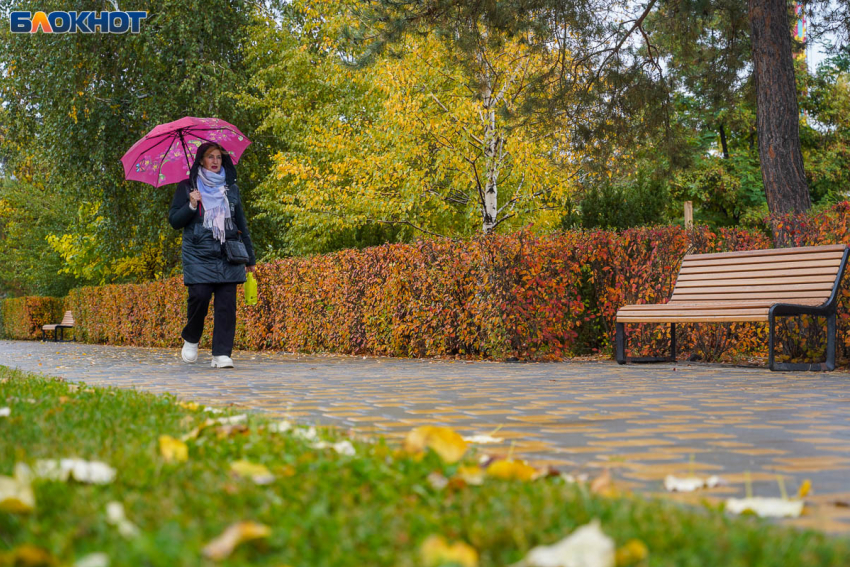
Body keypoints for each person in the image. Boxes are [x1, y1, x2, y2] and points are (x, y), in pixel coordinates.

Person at [168, 142, 256, 368]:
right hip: (198, 253)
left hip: (229, 252)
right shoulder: (187, 187)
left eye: (218, 157)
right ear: (201, 160)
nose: (215, 161)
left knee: (227, 304)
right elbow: (174, 222)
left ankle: (221, 354)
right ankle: (191, 337)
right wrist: (191, 204)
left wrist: (250, 258)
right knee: (200, 296)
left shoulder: (231, 189)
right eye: (210, 157)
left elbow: (241, 224)